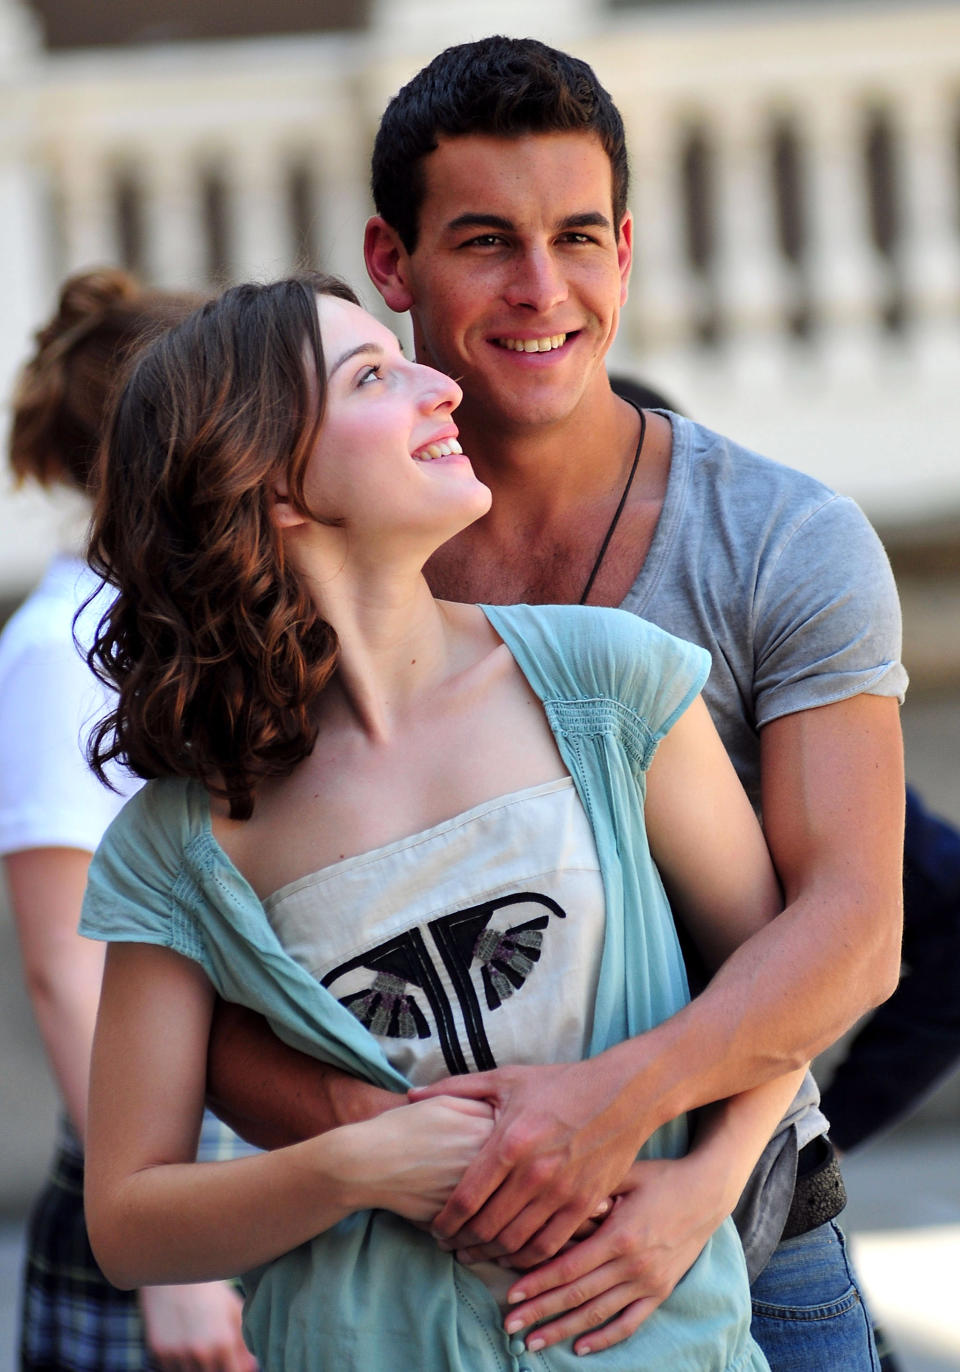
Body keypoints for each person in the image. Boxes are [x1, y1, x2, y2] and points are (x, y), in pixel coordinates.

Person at [204, 36, 907, 1370]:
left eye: (578, 237)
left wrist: (664, 1167)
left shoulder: (780, 541)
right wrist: (383, 1141)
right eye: (485, 242)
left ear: (627, 252)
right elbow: (209, 969)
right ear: (392, 262)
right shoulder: (304, 565)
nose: (543, 290)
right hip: (404, 1266)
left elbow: (850, 934)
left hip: (742, 1224)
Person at [78, 270, 811, 1370]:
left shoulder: (608, 684)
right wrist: (355, 1163)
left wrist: (703, 1192)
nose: (442, 387)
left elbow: (782, 985)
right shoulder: (180, 844)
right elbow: (127, 1220)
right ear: (275, 484)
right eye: (375, 374)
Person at [0, 268, 259, 1372]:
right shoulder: (62, 647)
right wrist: (176, 1260)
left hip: (248, 1165)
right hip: (164, 1175)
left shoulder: (185, 624)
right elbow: (69, 968)